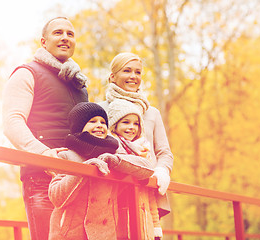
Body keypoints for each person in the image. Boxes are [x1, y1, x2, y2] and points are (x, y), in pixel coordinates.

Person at [2, 17, 88, 240]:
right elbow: (12, 121)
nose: (65, 38)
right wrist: (44, 154)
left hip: (79, 177)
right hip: (42, 177)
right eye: (58, 33)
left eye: (70, 34)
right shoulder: (26, 73)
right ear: (43, 41)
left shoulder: (79, 85)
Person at [48, 102, 154, 240]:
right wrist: (85, 169)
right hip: (70, 233)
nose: (99, 125)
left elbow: (147, 169)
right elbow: (56, 197)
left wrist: (115, 160)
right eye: (92, 121)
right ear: (79, 126)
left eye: (103, 122)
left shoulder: (114, 153)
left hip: (105, 233)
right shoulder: (66, 155)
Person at [98, 52, 174, 217]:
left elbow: (164, 153)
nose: (133, 76)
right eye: (127, 71)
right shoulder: (100, 109)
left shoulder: (151, 112)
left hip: (147, 191)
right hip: (112, 189)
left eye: (138, 72)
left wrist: (161, 172)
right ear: (112, 77)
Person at [107, 98, 163, 240]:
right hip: (119, 215)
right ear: (114, 124)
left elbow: (150, 194)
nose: (131, 127)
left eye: (136, 123)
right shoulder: (112, 147)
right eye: (126, 122)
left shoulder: (143, 151)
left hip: (143, 217)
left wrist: (156, 225)